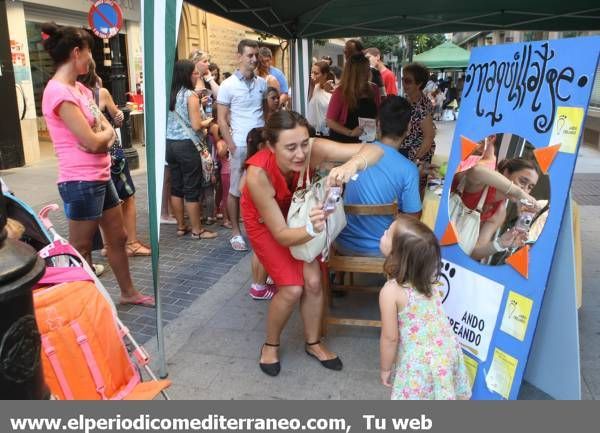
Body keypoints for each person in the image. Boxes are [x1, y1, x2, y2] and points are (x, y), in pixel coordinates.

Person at [241, 110, 384, 376]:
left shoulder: (314, 150)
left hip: (301, 211)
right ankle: (270, 344)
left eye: (305, 143)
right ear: (271, 146)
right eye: (290, 147)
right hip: (266, 223)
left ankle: (313, 342)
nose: (300, 153)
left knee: (315, 282)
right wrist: (311, 228)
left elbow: (375, 151)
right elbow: (282, 235)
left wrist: (350, 165)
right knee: (292, 288)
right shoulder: (257, 175)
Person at [41, 22, 153, 306]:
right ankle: (85, 304)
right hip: (80, 181)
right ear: (77, 52)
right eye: (89, 52)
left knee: (118, 237)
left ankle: (128, 293)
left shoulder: (79, 89)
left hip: (100, 176)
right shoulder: (59, 93)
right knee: (80, 248)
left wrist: (101, 136)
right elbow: (94, 141)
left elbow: (103, 130)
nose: (91, 59)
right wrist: (101, 137)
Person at [379, 215, 472, 400]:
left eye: (388, 234)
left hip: (419, 365)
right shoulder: (428, 278)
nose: (383, 233)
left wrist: (385, 368)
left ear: (397, 254)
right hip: (447, 351)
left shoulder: (391, 291)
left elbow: (390, 338)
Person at [78, 59, 151, 257]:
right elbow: (117, 116)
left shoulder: (74, 96)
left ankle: (108, 245)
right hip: (112, 154)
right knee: (127, 197)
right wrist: (117, 116)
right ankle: (131, 243)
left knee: (106, 203)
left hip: (90, 158)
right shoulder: (99, 93)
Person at [335, 96, 421, 257]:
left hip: (342, 243)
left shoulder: (356, 153)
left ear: (378, 124)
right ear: (408, 128)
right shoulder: (409, 170)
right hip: (382, 248)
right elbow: (413, 218)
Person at [217, 39, 267, 251]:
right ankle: (236, 233)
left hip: (261, 145)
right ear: (239, 56)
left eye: (256, 55)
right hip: (239, 145)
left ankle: (258, 229)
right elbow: (221, 119)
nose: (254, 59)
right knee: (236, 190)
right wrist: (231, 145)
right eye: (249, 55)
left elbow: (266, 111)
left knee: (261, 187)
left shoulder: (262, 83)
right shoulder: (227, 86)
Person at [166, 59, 217, 240]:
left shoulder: (169, 93)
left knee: (176, 187)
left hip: (170, 144)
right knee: (191, 188)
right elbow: (196, 125)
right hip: (187, 145)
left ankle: (181, 226)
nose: (197, 76)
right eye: (194, 73)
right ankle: (197, 230)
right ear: (186, 75)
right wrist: (209, 120)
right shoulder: (190, 95)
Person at [452, 157, 540, 261]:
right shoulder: (482, 184)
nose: (525, 190)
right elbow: (476, 170)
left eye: (530, 187)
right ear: (506, 172)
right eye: (522, 181)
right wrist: (518, 192)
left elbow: (474, 252)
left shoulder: (500, 212)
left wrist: (500, 243)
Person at [326, 54, 381, 143]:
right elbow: (330, 121)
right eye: (365, 70)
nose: (368, 73)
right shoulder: (340, 92)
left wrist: (375, 126)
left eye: (368, 69)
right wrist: (350, 132)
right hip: (343, 141)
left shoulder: (374, 89)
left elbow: (378, 113)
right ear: (355, 73)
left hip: (367, 140)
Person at [400, 63, 436, 164]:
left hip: (413, 153)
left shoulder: (421, 106)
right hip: (406, 152)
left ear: (419, 84)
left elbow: (429, 136)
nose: (403, 83)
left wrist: (416, 160)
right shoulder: (409, 99)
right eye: (403, 79)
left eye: (408, 81)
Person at [307, 61, 333, 136]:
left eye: (316, 73)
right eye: (312, 72)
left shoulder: (331, 88)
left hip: (326, 132)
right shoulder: (313, 87)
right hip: (312, 130)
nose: (312, 75)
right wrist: (312, 86)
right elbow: (308, 102)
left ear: (324, 75)